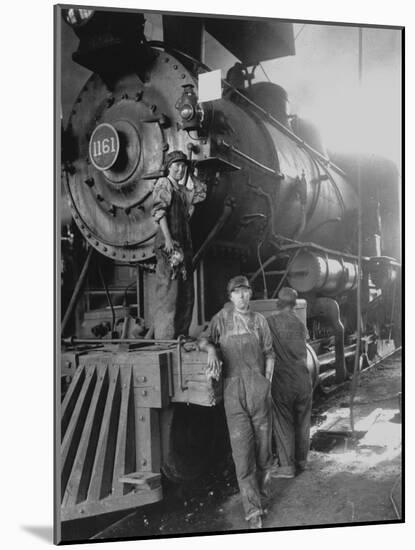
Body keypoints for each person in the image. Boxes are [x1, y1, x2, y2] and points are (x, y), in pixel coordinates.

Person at [198, 275, 275, 529]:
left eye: (245, 291)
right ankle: (253, 512)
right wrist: (210, 349)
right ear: (230, 297)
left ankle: (261, 496)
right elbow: (203, 339)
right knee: (243, 456)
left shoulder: (259, 321)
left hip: (259, 392)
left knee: (263, 454)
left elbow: (269, 353)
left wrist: (267, 383)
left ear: (250, 294)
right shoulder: (221, 319)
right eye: (237, 292)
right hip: (234, 394)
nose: (242, 296)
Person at [151, 150, 206, 339]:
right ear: (169, 167)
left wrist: (192, 173)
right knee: (169, 292)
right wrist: (167, 239)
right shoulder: (164, 184)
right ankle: (166, 338)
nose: (180, 169)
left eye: (183, 166)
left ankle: (181, 335)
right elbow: (159, 212)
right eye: (177, 166)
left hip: (184, 246)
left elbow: (200, 194)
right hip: (170, 246)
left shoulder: (182, 191)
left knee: (186, 292)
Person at [267, 287, 312, 478]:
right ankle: (302, 462)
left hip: (283, 380)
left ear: (278, 303)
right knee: (303, 421)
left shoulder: (270, 322)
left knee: (284, 422)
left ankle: (286, 467)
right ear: (294, 304)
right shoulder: (300, 324)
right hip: (303, 379)